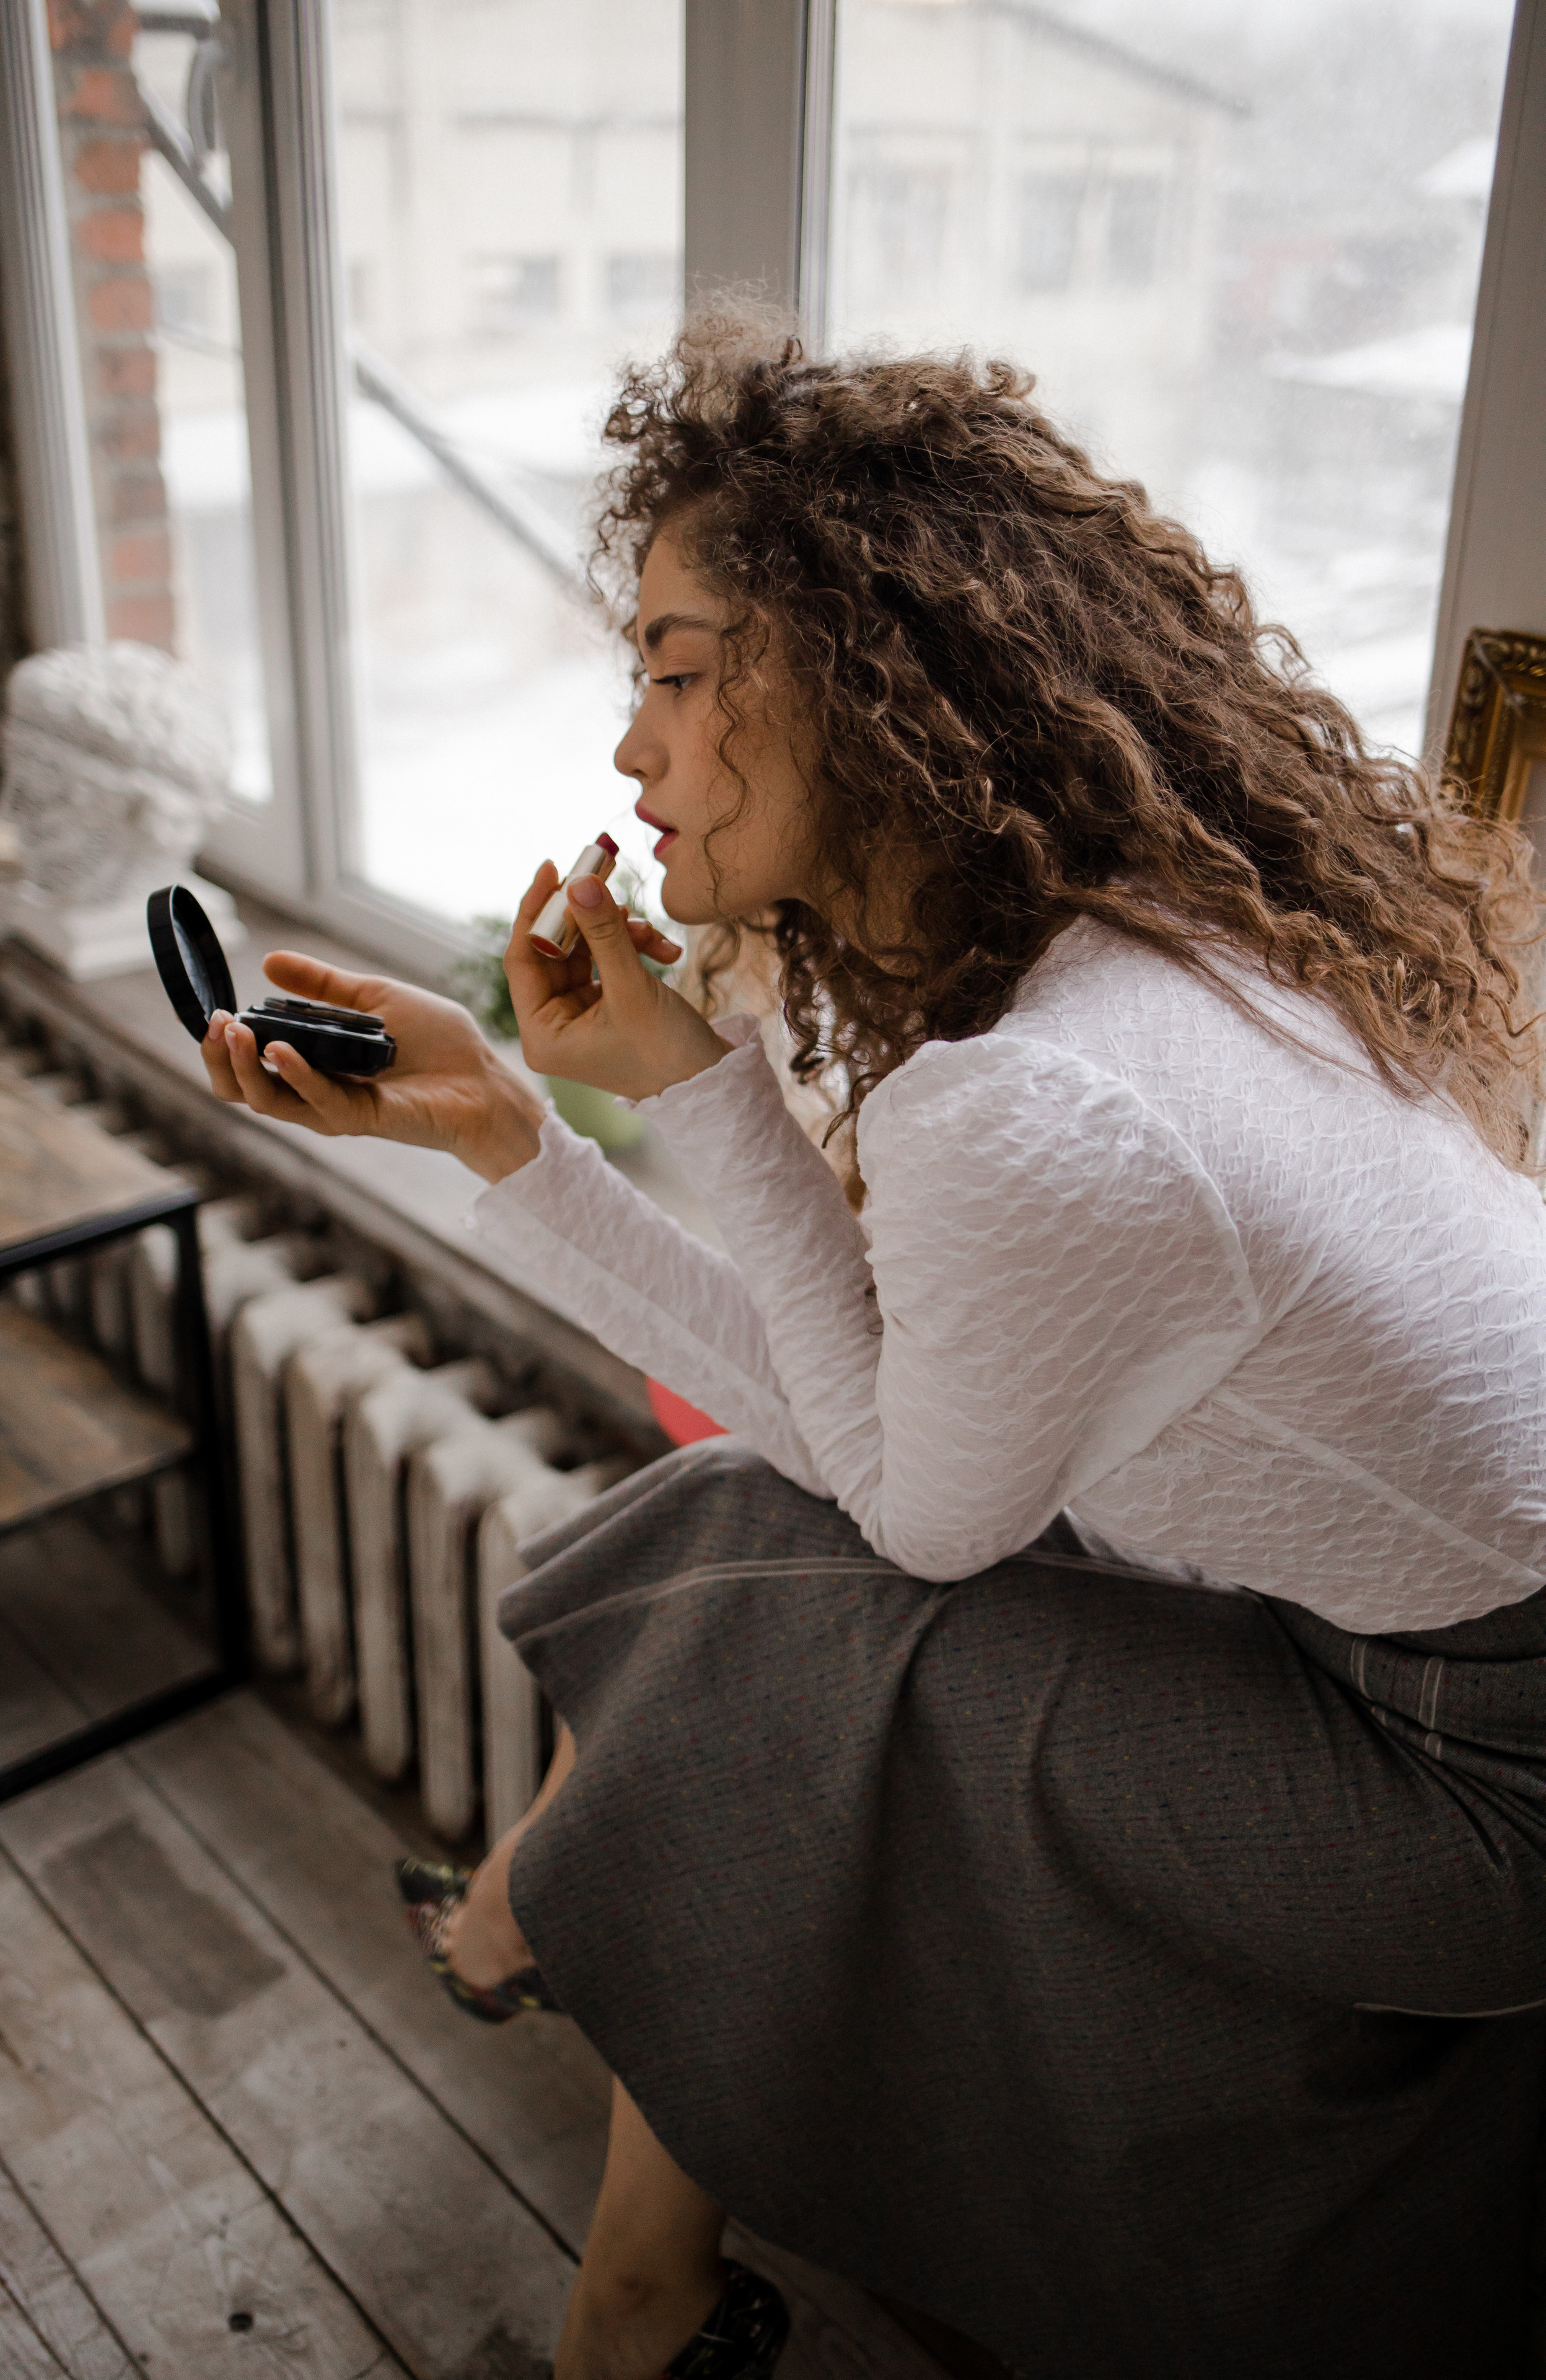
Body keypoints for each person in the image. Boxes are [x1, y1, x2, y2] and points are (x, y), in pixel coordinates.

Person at [198, 324, 1546, 2380]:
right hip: (1428, 1648)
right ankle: (589, 2123)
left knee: (779, 1606)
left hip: (1493, 1790)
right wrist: (507, 1125)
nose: (631, 751)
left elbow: (908, 1516)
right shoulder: (1159, 942)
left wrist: (684, 1094)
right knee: (745, 1522)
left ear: (859, 672)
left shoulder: (1035, 1101)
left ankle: (572, 2071)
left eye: (675, 675)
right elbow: (874, 1417)